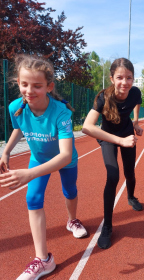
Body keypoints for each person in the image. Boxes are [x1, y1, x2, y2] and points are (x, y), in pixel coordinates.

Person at [0, 54, 87, 280]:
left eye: (37, 86)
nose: (29, 91)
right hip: (38, 158)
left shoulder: (61, 112)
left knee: (70, 191)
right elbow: (19, 127)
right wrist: (7, 150)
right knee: (33, 199)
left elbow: (66, 155)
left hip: (64, 160)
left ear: (49, 87)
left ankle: (72, 220)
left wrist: (29, 174)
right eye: (24, 84)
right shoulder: (15, 106)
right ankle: (44, 259)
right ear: (18, 84)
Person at [82, 57, 143, 249]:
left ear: (133, 79)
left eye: (129, 78)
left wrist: (136, 122)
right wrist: (120, 141)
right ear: (111, 78)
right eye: (120, 77)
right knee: (113, 176)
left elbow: (137, 103)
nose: (124, 82)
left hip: (126, 134)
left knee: (130, 172)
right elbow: (86, 127)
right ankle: (107, 226)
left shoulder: (135, 93)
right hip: (108, 137)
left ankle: (131, 197)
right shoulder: (103, 98)